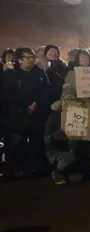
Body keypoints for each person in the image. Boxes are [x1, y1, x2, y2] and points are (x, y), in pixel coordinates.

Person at [3, 47, 51, 179]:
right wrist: (25, 105)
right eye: (27, 58)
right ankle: (14, 169)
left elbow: (46, 91)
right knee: (17, 143)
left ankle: (32, 169)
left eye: (32, 57)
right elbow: (9, 94)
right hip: (17, 114)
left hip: (37, 114)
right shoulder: (11, 74)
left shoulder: (40, 73)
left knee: (36, 142)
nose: (31, 60)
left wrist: (37, 104)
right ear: (19, 60)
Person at [44, 94, 85, 184]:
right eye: (66, 101)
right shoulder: (54, 117)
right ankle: (58, 171)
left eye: (72, 101)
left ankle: (69, 171)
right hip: (57, 150)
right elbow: (46, 139)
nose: (69, 104)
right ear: (62, 103)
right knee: (68, 159)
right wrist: (54, 136)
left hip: (73, 148)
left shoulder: (82, 117)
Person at [45, 45, 69, 110]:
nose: (53, 53)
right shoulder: (41, 67)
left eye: (56, 51)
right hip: (45, 99)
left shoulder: (63, 67)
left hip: (59, 98)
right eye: (51, 51)